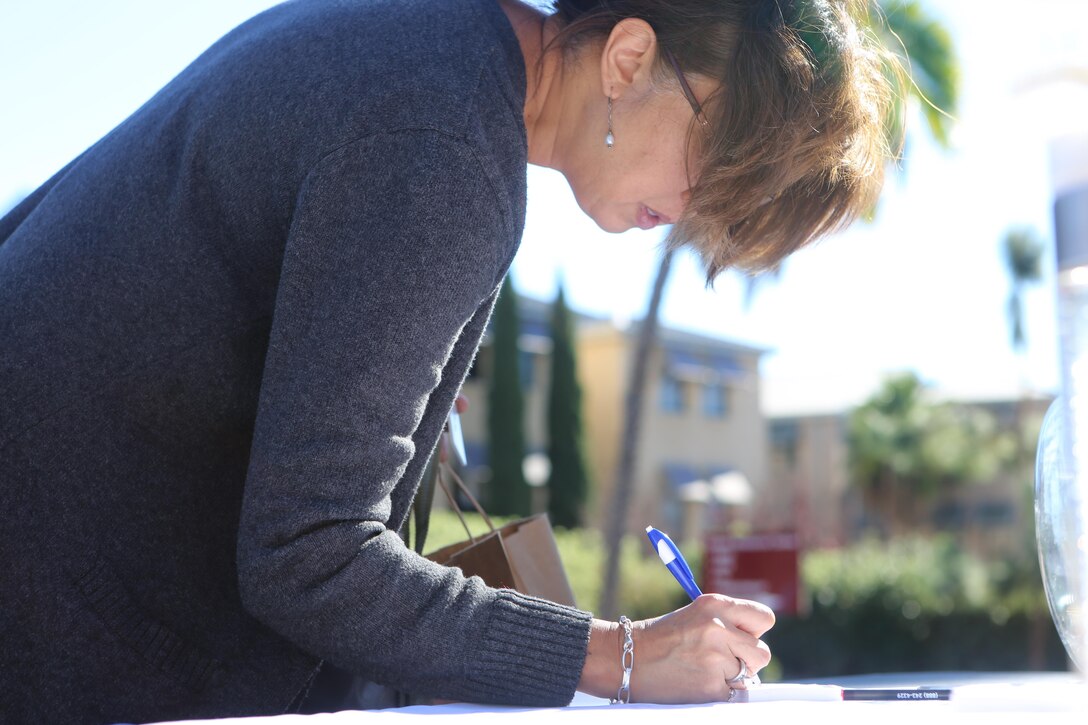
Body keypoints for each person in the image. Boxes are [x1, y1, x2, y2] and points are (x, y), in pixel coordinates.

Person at [0, 0, 897, 721]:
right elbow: (308, 555)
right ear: (627, 58)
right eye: (720, 166)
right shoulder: (444, 147)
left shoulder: (422, 43)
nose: (702, 215)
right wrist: (624, 655)